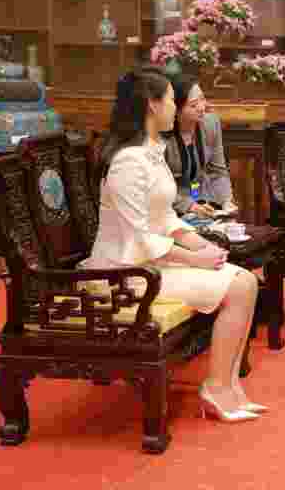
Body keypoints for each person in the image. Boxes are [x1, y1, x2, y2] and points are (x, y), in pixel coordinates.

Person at [81, 69, 265, 422]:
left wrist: (200, 245)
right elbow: (139, 237)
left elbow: (166, 219)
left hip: (151, 262)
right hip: (124, 273)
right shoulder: (128, 162)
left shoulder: (150, 152)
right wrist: (194, 259)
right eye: (169, 100)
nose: (173, 107)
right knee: (240, 285)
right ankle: (217, 388)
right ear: (152, 105)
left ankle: (227, 387)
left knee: (245, 280)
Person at [163, 74, 237, 218]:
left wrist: (226, 200)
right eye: (193, 105)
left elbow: (218, 171)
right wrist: (188, 205)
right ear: (176, 110)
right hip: (169, 205)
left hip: (200, 197)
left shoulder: (210, 123)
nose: (202, 108)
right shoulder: (163, 135)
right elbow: (157, 187)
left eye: (202, 99)